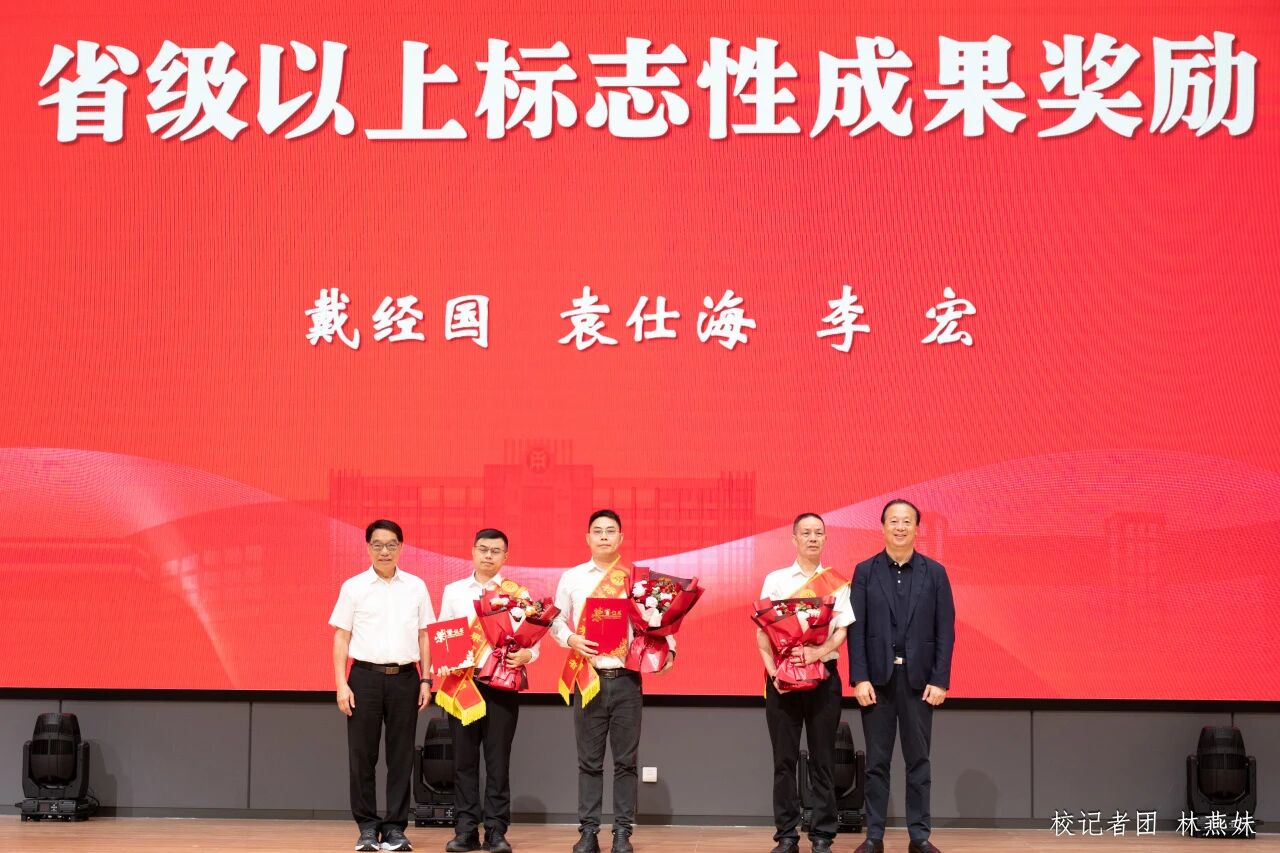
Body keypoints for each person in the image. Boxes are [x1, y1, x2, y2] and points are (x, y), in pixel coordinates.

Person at [550, 509, 674, 853]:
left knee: (625, 762)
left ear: (621, 538)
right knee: (588, 762)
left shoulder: (635, 579)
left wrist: (671, 651)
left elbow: (659, 618)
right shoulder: (572, 577)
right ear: (588, 537)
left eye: (610, 531)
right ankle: (588, 832)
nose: (604, 536)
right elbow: (555, 620)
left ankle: (622, 832)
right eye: (597, 530)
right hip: (588, 677)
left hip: (626, 680)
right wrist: (571, 639)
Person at [847, 500, 955, 853]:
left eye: (907, 521)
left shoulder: (934, 573)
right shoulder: (865, 571)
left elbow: (945, 631)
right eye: (893, 521)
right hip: (877, 682)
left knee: (918, 761)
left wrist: (940, 680)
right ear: (882, 527)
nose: (900, 527)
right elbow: (856, 630)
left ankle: (919, 836)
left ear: (916, 529)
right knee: (876, 763)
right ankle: (874, 836)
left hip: (919, 682)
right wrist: (859, 677)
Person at [330, 520, 435, 853]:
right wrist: (341, 684)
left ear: (401, 547)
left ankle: (395, 829)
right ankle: (366, 828)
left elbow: (424, 635)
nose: (384, 551)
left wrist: (426, 678)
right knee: (362, 756)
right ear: (368, 547)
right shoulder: (354, 587)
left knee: (401, 757)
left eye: (391, 545)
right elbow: (341, 636)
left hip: (405, 678)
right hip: (364, 679)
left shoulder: (416, 586)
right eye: (377, 545)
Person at [436, 528, 538, 853]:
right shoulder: (453, 592)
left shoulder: (517, 594)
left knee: (497, 762)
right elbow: (443, 633)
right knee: (463, 762)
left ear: (506, 556)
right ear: (473, 551)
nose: (488, 555)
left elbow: (532, 641)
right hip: (463, 684)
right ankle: (465, 830)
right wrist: (444, 661)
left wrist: (528, 656)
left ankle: (495, 831)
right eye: (483, 549)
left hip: (502, 685)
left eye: (496, 551)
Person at [756, 512, 854, 853]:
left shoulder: (837, 583)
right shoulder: (776, 580)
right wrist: (773, 672)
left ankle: (823, 834)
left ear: (825, 539)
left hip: (823, 680)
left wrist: (817, 652)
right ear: (794, 539)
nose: (813, 538)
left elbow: (841, 631)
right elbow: (763, 630)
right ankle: (786, 835)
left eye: (819, 533)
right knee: (783, 761)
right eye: (806, 533)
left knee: (823, 759)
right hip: (782, 682)